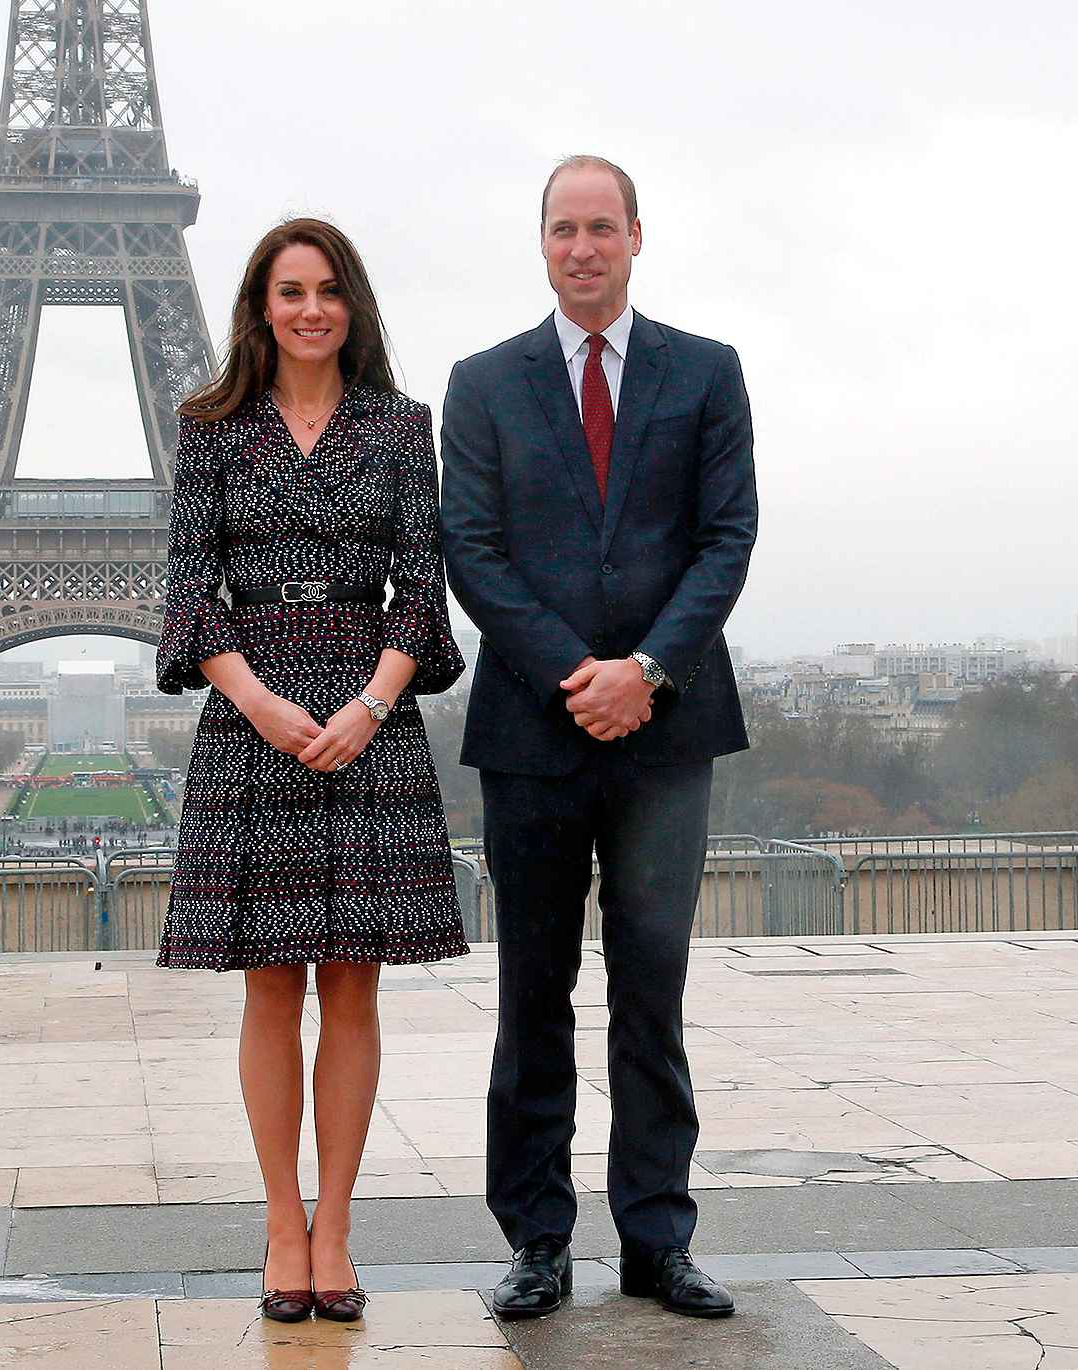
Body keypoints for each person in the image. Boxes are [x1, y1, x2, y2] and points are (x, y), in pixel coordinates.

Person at [440, 156, 758, 1320]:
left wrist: (648, 671)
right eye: (563, 229)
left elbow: (726, 538)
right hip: (536, 726)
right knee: (533, 993)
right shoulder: (480, 383)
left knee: (652, 990)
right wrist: (579, 674)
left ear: (636, 236)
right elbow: (469, 550)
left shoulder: (706, 372)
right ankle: (536, 1238)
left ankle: (655, 1237)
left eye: (601, 227)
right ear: (540, 241)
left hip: (664, 732)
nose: (583, 246)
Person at [154, 218, 469, 1324]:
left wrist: (370, 701)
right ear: (259, 305)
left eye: (328, 289)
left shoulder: (399, 424)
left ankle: (334, 1222)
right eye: (289, 290)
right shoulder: (210, 429)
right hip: (256, 710)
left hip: (365, 706)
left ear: (353, 304)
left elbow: (423, 587)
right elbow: (189, 587)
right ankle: (279, 1220)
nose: (309, 309)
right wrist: (259, 700)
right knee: (270, 983)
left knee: (351, 981)